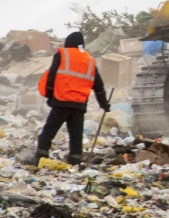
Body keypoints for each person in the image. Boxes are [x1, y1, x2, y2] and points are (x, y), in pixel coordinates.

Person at [27, 31, 110, 166]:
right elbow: (98, 86)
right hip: (79, 105)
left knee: (48, 131)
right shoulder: (90, 61)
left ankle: (40, 157)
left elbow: (51, 77)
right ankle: (75, 161)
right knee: (76, 135)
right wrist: (104, 104)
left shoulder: (62, 55)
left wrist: (49, 95)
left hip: (61, 102)